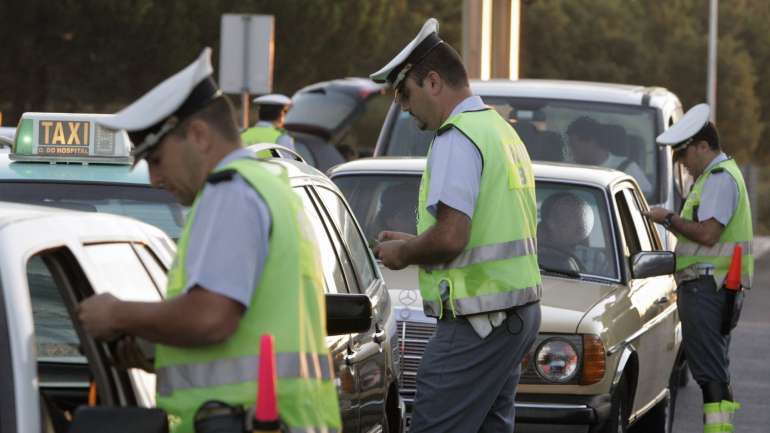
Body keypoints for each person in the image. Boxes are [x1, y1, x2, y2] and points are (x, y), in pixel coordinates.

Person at [76, 48, 340, 433]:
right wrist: (151, 348)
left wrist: (116, 313)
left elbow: (211, 318)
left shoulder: (229, 193)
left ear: (197, 135)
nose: (153, 179)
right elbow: (247, 333)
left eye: (156, 158)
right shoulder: (270, 187)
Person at [369, 18, 541, 433]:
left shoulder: (455, 137)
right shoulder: (498, 131)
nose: (405, 109)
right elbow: (481, 231)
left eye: (405, 96)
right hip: (511, 314)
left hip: (478, 320)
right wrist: (416, 241)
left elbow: (451, 237)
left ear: (432, 82)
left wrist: (404, 253)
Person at [644, 103, 752, 433]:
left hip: (708, 286)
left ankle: (718, 431)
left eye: (686, 156)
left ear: (703, 146)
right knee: (713, 368)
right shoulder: (718, 176)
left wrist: (669, 218)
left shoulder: (718, 179)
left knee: (710, 372)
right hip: (714, 286)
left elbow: (707, 234)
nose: (686, 166)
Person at [566, 116, 653, 196]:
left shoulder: (627, 168)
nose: (570, 152)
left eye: (574, 147)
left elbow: (646, 198)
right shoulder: (569, 170)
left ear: (591, 142)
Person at [537, 192, 609, 276]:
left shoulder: (595, 259)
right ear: (550, 222)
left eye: (579, 216)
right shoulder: (528, 252)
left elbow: (605, 288)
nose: (578, 223)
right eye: (568, 217)